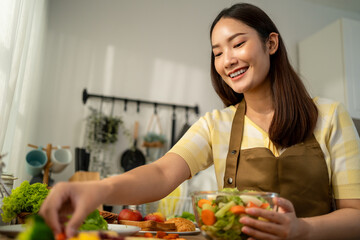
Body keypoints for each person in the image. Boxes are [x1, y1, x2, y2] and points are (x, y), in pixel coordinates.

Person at [39, 3, 360, 239]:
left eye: (237, 44)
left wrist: (302, 230)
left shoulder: (330, 116)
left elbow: (356, 217)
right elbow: (162, 173)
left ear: (271, 44)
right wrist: (98, 190)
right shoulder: (215, 124)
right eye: (217, 52)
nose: (227, 60)